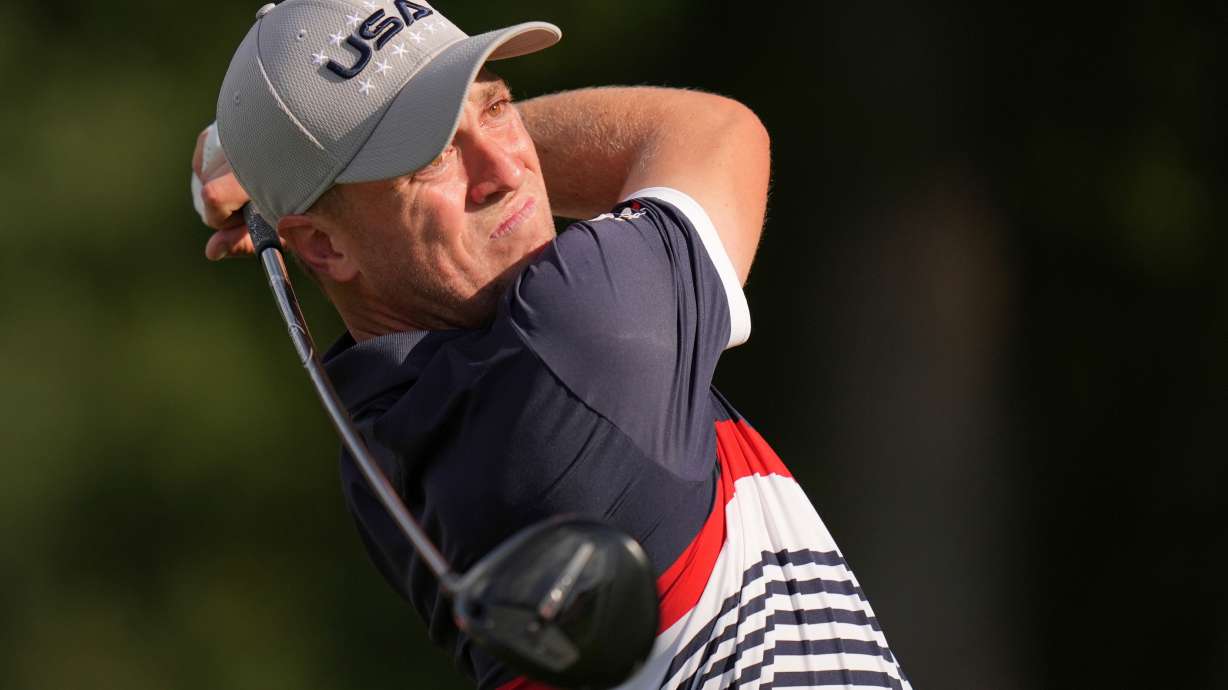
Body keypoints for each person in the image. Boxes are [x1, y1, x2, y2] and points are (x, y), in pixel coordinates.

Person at [193, 1, 912, 688]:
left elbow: (376, 209)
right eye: (434, 158)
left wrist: (302, 175)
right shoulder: (577, 333)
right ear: (321, 248)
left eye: (498, 106)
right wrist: (286, 175)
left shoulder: (376, 451)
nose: (508, 168)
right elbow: (713, 131)